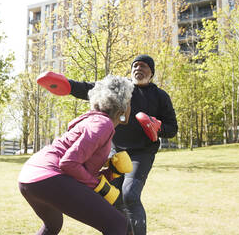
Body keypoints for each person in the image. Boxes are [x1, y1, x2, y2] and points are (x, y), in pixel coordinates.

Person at [47, 54, 178, 235]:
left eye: (144, 66)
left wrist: (158, 127)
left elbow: (172, 128)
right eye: (135, 66)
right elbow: (91, 88)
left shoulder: (160, 96)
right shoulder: (122, 88)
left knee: (130, 195)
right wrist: (68, 85)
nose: (138, 69)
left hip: (142, 153)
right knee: (112, 198)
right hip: (115, 151)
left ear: (152, 72)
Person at [18, 75, 135, 235]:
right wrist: (99, 186)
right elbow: (69, 163)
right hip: (48, 176)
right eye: (130, 101)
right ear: (122, 107)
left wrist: (111, 173)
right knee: (117, 224)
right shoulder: (103, 124)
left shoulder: (95, 120)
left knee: (53, 225)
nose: (131, 106)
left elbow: (78, 173)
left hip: (29, 177)